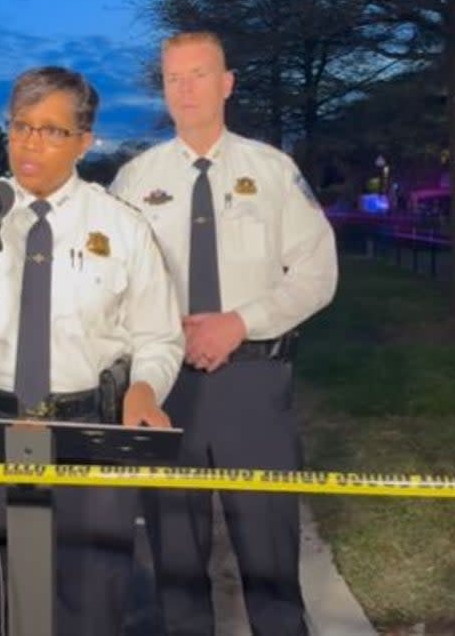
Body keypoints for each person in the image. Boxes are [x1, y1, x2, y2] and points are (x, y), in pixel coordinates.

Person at [0, 66, 184, 636]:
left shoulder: (122, 227)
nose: (31, 143)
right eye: (21, 126)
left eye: (52, 131)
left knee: (90, 604)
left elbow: (158, 335)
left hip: (88, 434)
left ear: (84, 141)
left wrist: (145, 389)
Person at [111, 31, 338, 636]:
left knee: (270, 564)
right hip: (166, 391)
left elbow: (319, 274)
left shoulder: (272, 171)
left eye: (198, 74)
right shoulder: (134, 181)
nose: (185, 89)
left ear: (227, 83)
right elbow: (112, 283)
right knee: (177, 568)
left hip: (254, 387)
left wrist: (240, 323)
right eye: (173, 78)